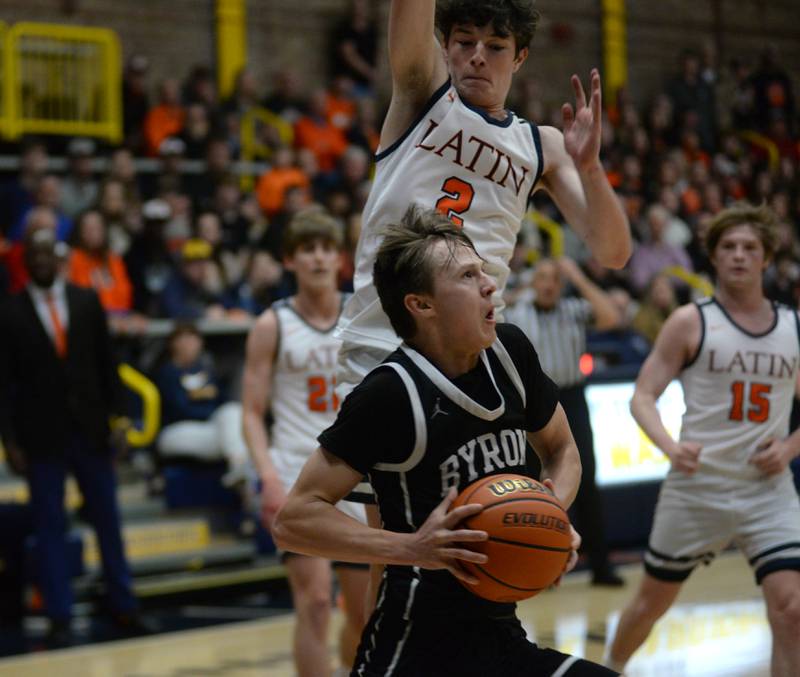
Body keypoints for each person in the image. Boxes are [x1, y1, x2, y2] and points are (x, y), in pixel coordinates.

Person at [273, 206, 618, 676]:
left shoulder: (511, 354)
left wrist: (550, 516)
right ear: (422, 304)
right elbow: (294, 519)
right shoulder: (388, 393)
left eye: (484, 270)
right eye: (468, 275)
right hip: (414, 651)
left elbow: (562, 451)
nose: (490, 284)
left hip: (502, 640)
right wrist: (410, 548)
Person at [606, 203, 800, 676]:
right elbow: (642, 397)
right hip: (698, 487)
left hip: (767, 491)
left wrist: (791, 447)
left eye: (749, 247)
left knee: (792, 608)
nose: (739, 256)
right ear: (713, 257)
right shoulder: (691, 321)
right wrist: (670, 447)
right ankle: (610, 665)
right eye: (728, 247)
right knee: (649, 606)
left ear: (766, 258)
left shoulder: (793, 326)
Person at [0, 227, 151, 646]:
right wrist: (9, 441)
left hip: (92, 431)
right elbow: (4, 384)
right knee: (49, 526)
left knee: (108, 520)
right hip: (39, 438)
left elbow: (108, 365)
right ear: (25, 261)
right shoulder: (8, 312)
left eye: (49, 252)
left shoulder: (87, 301)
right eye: (35, 254)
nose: (42, 260)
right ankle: (59, 615)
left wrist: (120, 419)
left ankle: (124, 606)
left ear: (60, 259)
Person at [241, 210, 369, 677]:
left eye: (326, 248)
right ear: (289, 260)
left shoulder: (363, 315)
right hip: (296, 469)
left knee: (364, 614)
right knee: (315, 602)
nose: (318, 257)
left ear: (338, 258)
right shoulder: (271, 324)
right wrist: (268, 478)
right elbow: (251, 413)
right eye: (307, 249)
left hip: (356, 473)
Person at [505, 256, 624, 586]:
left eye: (554, 279)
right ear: (533, 281)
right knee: (532, 485)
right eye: (541, 278)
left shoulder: (573, 309)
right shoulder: (518, 311)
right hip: (530, 406)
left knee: (585, 482)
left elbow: (612, 316)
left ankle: (601, 567)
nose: (548, 285)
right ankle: (538, 568)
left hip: (571, 399)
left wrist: (579, 276)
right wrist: (523, 288)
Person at [155, 322, 251, 488]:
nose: (189, 343)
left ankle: (238, 470)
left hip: (209, 428)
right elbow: (180, 410)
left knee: (233, 411)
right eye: (183, 338)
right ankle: (242, 471)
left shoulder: (206, 369)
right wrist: (213, 414)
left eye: (193, 338)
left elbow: (223, 401)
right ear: (173, 343)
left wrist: (218, 415)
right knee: (232, 438)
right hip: (176, 431)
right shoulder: (166, 373)